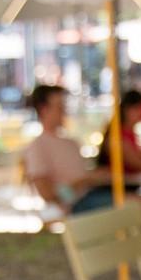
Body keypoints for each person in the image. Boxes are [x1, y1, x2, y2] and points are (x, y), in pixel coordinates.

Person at [24, 84, 111, 215]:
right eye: (60, 107)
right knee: (136, 204)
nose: (64, 111)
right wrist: (86, 180)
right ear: (44, 110)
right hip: (73, 207)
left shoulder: (71, 143)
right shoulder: (38, 146)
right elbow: (47, 194)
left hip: (90, 197)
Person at [98, 89, 141, 175]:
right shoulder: (119, 138)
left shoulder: (129, 134)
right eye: (137, 108)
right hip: (124, 185)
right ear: (126, 109)